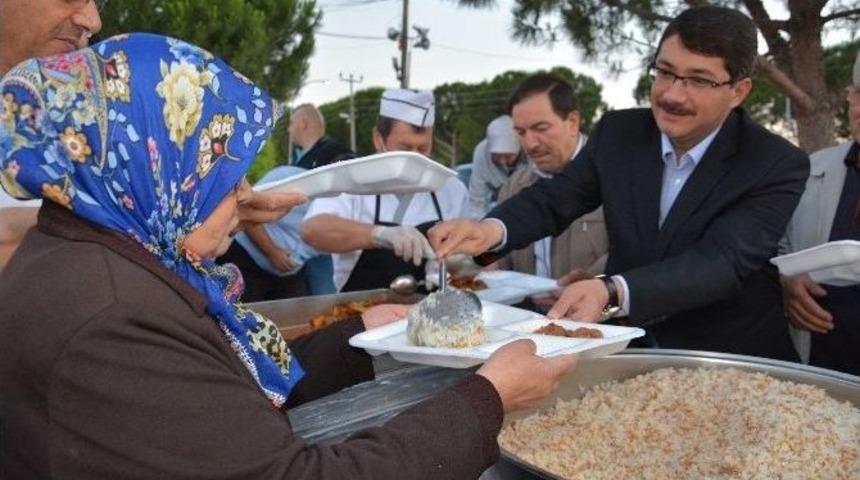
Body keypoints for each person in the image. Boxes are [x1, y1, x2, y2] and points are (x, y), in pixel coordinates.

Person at [0, 34, 576, 480]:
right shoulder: (113, 315)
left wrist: (357, 336)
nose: (246, 196)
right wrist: (488, 399)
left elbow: (226, 382)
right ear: (158, 173)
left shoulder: (113, 253)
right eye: (224, 176)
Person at [430, 6, 809, 360]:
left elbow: (721, 262)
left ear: (738, 92)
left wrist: (611, 290)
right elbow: (556, 199)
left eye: (698, 80)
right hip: (631, 349)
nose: (672, 94)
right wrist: (490, 229)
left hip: (727, 357)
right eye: (664, 72)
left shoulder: (774, 162)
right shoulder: (619, 133)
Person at [0, 0, 304, 272]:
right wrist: (154, 227)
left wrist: (206, 212)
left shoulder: (83, 120)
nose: (92, 21)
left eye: (100, 3)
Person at [301, 88, 469, 292]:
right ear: (378, 139)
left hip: (433, 307)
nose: (416, 158)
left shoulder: (450, 188)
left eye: (423, 149)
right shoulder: (351, 181)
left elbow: (468, 249)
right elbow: (312, 230)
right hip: (361, 309)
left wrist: (462, 259)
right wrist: (379, 235)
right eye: (405, 148)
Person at [495, 74, 608, 312]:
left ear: (573, 122)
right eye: (521, 132)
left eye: (540, 128)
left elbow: (636, 256)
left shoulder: (614, 178)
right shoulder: (514, 187)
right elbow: (499, 262)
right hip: (527, 325)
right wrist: (470, 262)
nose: (530, 144)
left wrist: (594, 283)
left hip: (599, 325)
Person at [779, 49, 860, 375]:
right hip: (818, 376)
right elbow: (775, 248)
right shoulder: (810, 170)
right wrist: (785, 285)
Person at [217, 166, 321, 302]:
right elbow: (246, 210)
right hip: (246, 259)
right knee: (242, 313)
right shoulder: (289, 176)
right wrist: (272, 251)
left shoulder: (350, 206)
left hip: (289, 273)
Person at [466, 115, 522, 218]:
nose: (502, 161)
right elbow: (477, 201)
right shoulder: (481, 153)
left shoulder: (531, 153)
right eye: (496, 156)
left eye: (508, 156)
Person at [288, 103, 353, 170]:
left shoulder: (336, 153)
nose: (288, 129)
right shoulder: (296, 158)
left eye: (291, 123)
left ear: (303, 124)